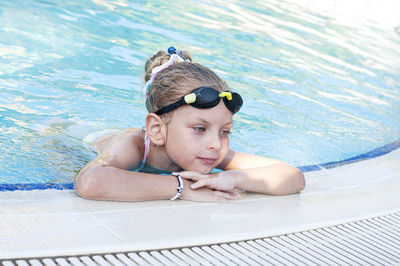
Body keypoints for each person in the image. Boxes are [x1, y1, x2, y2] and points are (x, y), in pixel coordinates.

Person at [74, 47, 305, 202]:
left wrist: (227, 178)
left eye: (225, 131)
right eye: (199, 129)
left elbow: (293, 177)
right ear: (157, 130)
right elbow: (90, 182)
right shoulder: (134, 146)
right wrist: (180, 188)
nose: (216, 144)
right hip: (73, 141)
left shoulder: (210, 151)